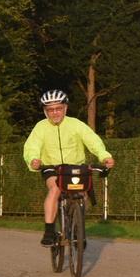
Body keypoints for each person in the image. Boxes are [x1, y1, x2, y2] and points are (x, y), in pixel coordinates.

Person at [23, 90, 114, 246]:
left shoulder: (76, 124)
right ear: (45, 111)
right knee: (55, 189)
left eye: (58, 108)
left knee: (82, 193)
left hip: (75, 167)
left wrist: (104, 156)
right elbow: (32, 146)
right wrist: (33, 160)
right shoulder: (40, 127)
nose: (55, 113)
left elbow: (92, 141)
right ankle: (49, 230)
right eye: (50, 109)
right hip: (51, 167)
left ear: (65, 108)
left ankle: (78, 228)